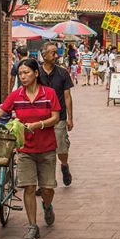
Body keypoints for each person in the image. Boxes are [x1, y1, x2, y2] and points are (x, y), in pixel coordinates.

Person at [0, 58, 60, 239]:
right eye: (20, 74)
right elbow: (1, 111)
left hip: (47, 148)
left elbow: (55, 118)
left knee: (47, 188)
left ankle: (47, 205)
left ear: (36, 73)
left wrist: (38, 125)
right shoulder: (17, 95)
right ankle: (32, 226)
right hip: (25, 148)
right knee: (28, 187)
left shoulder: (49, 93)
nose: (23, 76)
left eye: (26, 73)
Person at [39, 41, 75, 187]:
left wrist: (70, 118)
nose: (56, 56)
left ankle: (64, 165)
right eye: (53, 53)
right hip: (40, 118)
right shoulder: (36, 73)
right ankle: (45, 183)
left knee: (61, 148)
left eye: (56, 53)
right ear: (44, 55)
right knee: (43, 153)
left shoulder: (62, 73)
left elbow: (67, 96)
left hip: (58, 117)